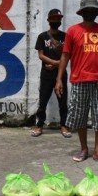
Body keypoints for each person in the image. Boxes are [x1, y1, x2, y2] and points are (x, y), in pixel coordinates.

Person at [54, 0, 98, 167]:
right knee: (80, 116)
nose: (90, 13)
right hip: (79, 80)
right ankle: (84, 149)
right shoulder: (72, 31)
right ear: (82, 13)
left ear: (96, 13)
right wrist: (59, 79)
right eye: (87, 11)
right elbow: (65, 56)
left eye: (93, 11)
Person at [31, 9, 70, 138]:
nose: (56, 21)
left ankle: (64, 126)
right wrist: (56, 62)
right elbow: (41, 55)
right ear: (48, 20)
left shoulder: (65, 36)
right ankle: (39, 125)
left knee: (63, 102)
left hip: (61, 74)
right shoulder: (42, 36)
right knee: (43, 101)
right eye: (53, 19)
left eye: (58, 19)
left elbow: (68, 55)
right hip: (47, 75)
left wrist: (56, 64)